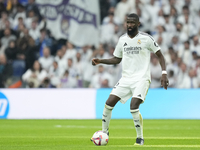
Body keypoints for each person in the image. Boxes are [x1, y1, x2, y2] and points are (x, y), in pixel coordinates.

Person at [91, 13, 169, 145]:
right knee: (108, 103)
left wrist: (164, 73)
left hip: (142, 78)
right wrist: (100, 61)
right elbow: (117, 59)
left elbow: (160, 55)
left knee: (133, 105)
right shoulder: (122, 40)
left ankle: (140, 138)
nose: (130, 25)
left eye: (133, 22)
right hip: (126, 78)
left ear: (138, 24)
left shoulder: (146, 39)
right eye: (128, 22)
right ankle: (104, 132)